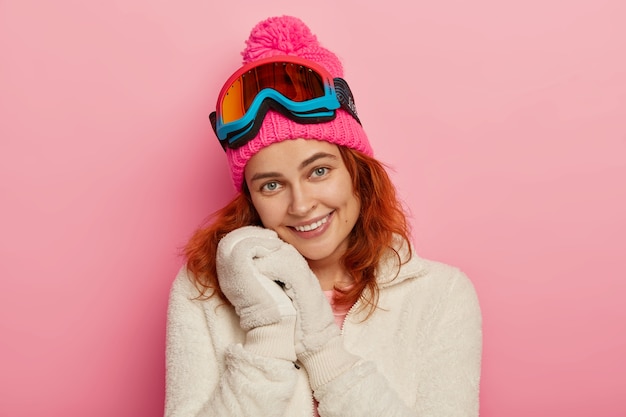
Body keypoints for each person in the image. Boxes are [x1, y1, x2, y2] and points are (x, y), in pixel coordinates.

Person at [165, 15, 482, 417]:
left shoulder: (441, 295)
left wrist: (322, 349)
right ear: (252, 198)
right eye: (271, 185)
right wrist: (267, 333)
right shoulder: (203, 290)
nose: (301, 205)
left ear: (356, 173)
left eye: (319, 171)